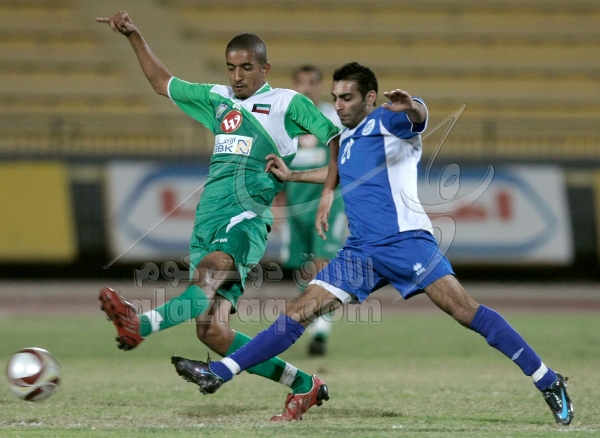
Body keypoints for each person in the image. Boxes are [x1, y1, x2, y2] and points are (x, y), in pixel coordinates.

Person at [171, 62, 575, 426]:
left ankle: (547, 379)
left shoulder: (388, 120)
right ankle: (219, 372)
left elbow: (418, 118)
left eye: (346, 98)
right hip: (361, 251)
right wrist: (293, 176)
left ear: (368, 98)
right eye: (335, 98)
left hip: (405, 243)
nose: (339, 105)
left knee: (465, 311)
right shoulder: (346, 139)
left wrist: (413, 105)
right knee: (297, 312)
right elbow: (339, 174)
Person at [95, 11, 341, 421]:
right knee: (212, 331)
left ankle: (140, 324)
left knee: (207, 279)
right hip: (206, 220)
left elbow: (338, 141)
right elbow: (162, 83)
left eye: (247, 67)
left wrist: (318, 185)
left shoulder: (287, 103)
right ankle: (304, 384)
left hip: (246, 217)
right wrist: (134, 36)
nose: (238, 76)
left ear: (265, 68)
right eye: (231, 67)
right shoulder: (217, 98)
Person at [279, 65, 346, 356]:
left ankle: (320, 331)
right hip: (295, 205)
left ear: (320, 86)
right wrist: (276, 204)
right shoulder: (283, 120)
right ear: (294, 86)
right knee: (305, 269)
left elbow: (343, 161)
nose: (307, 87)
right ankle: (310, 321)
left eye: (312, 82)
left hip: (327, 202)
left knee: (322, 265)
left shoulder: (333, 118)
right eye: (301, 82)